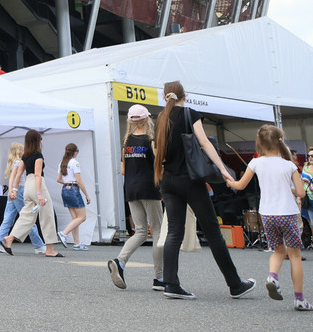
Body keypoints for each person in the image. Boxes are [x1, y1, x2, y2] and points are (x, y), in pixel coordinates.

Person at [151, 81, 254, 300]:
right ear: (184, 96)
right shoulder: (190, 113)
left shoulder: (161, 118)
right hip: (190, 180)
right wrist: (223, 169)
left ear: (165, 97)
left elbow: (158, 149)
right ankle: (235, 284)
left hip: (168, 180)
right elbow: (205, 143)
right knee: (213, 232)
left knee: (174, 233)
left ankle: (170, 284)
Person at [225, 125, 313, 310]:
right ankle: (299, 299)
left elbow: (240, 185)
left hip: (267, 214)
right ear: (280, 141)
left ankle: (272, 276)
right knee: (295, 255)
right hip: (287, 213)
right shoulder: (289, 165)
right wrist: (289, 188)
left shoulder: (256, 163)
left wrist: (229, 181)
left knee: (278, 251)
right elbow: (301, 193)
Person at [109, 104, 165, 291]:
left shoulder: (127, 143)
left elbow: (123, 169)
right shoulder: (152, 140)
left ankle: (120, 260)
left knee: (140, 231)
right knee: (157, 232)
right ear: (147, 119)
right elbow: (159, 168)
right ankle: (159, 278)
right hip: (149, 188)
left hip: (131, 189)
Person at [2, 129, 61, 257]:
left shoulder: (25, 156)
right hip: (37, 185)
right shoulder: (38, 156)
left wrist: (15, 190)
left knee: (27, 215)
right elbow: (38, 175)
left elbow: (18, 174)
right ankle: (50, 249)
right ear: (37, 141)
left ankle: (10, 238)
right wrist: (40, 194)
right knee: (47, 215)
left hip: (27, 187)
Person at [0, 142, 45, 255]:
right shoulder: (18, 162)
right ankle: (39, 245)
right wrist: (13, 190)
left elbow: (11, 178)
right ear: (18, 151)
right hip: (19, 191)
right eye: (23, 149)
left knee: (8, 218)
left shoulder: (13, 162)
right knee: (27, 218)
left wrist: (11, 190)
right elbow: (14, 177)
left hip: (14, 192)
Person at [57, 143, 90, 250]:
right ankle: (64, 233)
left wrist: (67, 183)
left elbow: (59, 179)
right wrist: (87, 195)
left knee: (75, 218)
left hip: (65, 190)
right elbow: (79, 181)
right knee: (82, 217)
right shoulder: (74, 163)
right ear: (75, 152)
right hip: (73, 189)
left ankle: (77, 243)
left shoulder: (62, 163)